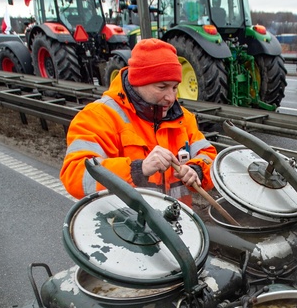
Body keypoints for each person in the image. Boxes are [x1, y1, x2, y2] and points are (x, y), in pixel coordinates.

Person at [61, 38, 217, 205]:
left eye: (174, 87)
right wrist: (136, 170)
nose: (171, 98)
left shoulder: (183, 119)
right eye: (162, 87)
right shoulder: (99, 116)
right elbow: (75, 174)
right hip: (123, 228)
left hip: (177, 225)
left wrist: (197, 169)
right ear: (138, 82)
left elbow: (209, 157)